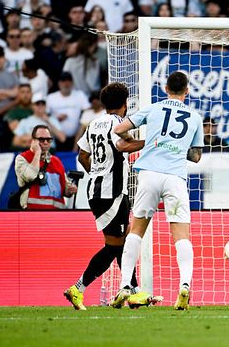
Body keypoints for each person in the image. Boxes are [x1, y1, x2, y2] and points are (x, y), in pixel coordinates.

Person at [64, 83, 163, 310]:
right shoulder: (118, 123)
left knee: (123, 241)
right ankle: (79, 288)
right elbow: (122, 145)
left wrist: (97, 173)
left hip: (97, 191)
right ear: (124, 103)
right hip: (113, 193)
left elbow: (82, 155)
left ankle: (131, 291)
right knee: (115, 245)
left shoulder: (93, 124)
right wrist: (154, 142)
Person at [111, 71, 204, 311]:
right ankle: (184, 285)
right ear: (187, 91)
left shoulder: (153, 109)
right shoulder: (194, 116)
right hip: (174, 177)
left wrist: (144, 142)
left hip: (149, 175)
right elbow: (195, 156)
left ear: (165, 88)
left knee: (136, 230)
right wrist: (175, 146)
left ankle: (124, 286)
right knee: (181, 235)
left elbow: (119, 129)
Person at [13, 125, 77, 209]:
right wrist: (37, 153)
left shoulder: (56, 161)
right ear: (33, 141)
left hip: (57, 215)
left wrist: (69, 190)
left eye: (49, 139)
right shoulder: (22, 158)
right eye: (41, 139)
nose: (46, 142)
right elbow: (30, 176)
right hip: (33, 213)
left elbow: (65, 190)